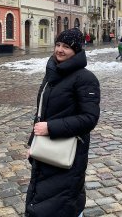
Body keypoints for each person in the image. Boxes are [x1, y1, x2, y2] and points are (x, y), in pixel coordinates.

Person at [25, 28, 100, 217]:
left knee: (65, 204)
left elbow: (89, 118)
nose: (60, 50)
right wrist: (33, 142)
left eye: (66, 46)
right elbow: (41, 113)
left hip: (68, 152)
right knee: (42, 200)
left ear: (76, 50)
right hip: (45, 150)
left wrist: (50, 128)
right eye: (58, 44)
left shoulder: (85, 79)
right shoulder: (52, 74)